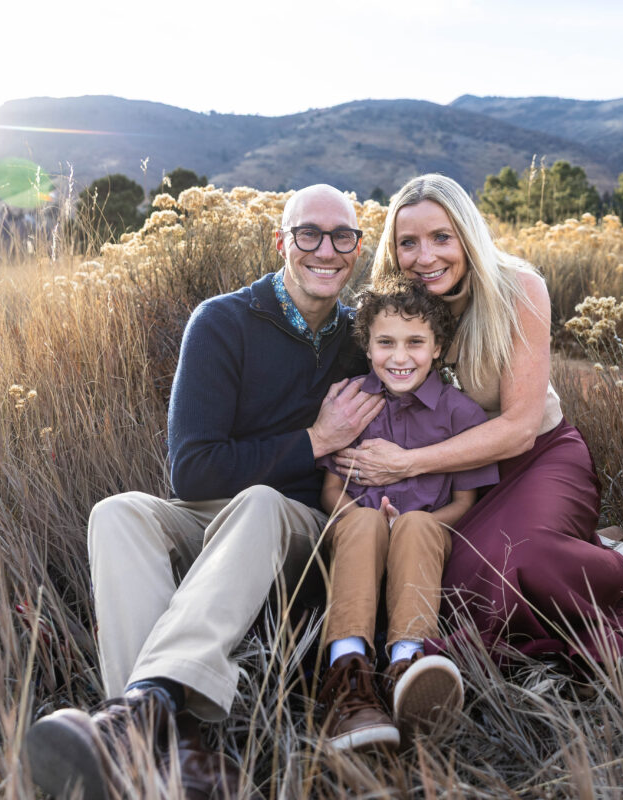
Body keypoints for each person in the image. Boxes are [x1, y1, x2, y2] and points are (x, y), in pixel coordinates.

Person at [26, 184, 382, 800]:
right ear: (281, 242)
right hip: (213, 520)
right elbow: (191, 474)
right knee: (118, 513)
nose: (326, 250)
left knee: (260, 502)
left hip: (302, 533)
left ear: (356, 248)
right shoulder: (223, 322)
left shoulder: (365, 339)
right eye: (309, 234)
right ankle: (165, 738)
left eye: (342, 236)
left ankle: (138, 716)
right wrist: (316, 438)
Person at [336, 174, 623, 681]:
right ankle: (601, 551)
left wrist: (405, 464)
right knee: (456, 588)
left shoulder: (517, 289)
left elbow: (519, 429)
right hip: (453, 483)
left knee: (520, 561)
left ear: (467, 235)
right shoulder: (393, 308)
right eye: (409, 242)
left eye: (441, 237)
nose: (425, 257)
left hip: (534, 459)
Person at [313, 278, 499, 750]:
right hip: (358, 538)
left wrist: (405, 527)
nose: (400, 357)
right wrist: (374, 521)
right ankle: (346, 676)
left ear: (437, 347)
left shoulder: (461, 415)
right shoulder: (352, 403)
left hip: (424, 543)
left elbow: (463, 504)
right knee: (360, 520)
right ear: (367, 346)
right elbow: (331, 491)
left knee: (417, 524)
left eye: (415, 342)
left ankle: (408, 665)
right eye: (386, 343)